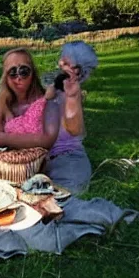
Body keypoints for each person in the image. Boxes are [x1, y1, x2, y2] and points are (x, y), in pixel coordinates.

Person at [42, 41, 98, 194]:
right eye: (61, 59)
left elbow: (74, 129)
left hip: (69, 162)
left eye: (66, 62)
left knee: (59, 207)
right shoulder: (56, 90)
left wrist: (72, 97)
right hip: (45, 162)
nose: (60, 63)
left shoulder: (72, 95)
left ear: (78, 71)